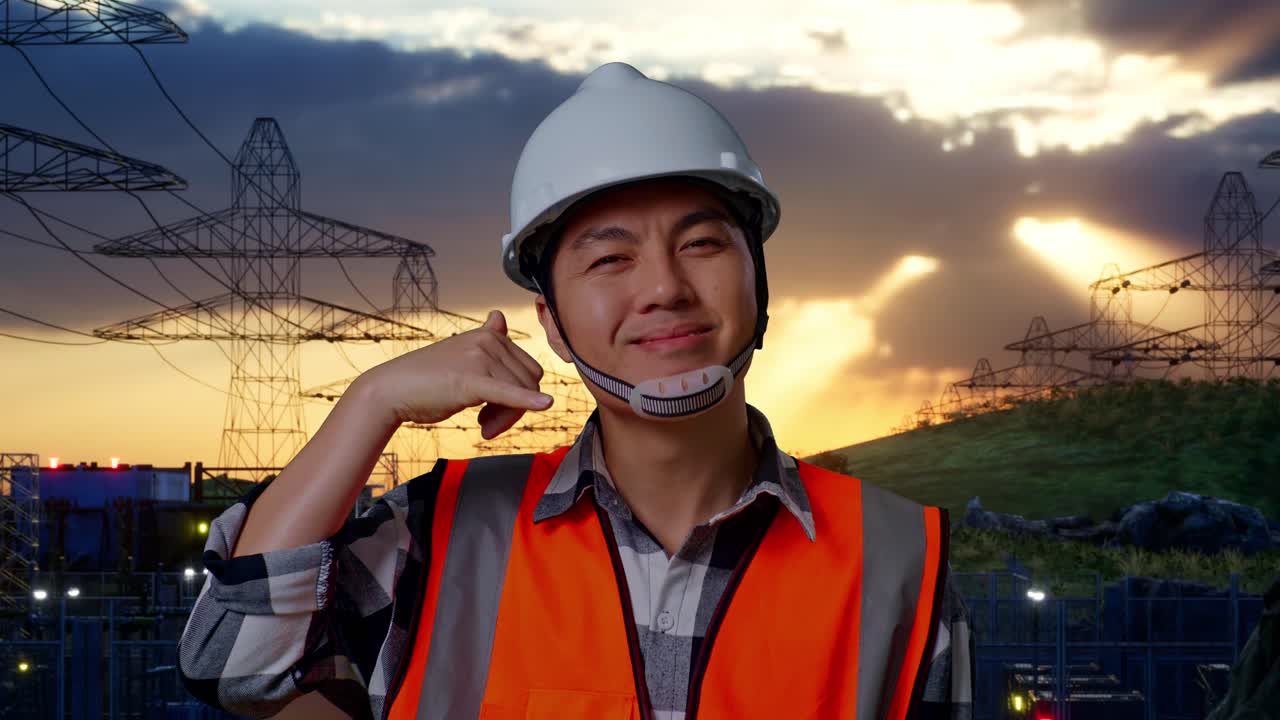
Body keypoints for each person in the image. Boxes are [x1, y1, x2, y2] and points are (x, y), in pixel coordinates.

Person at [178, 61, 975, 720]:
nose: (665, 287)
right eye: (609, 259)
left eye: (701, 244)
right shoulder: (442, 531)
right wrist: (372, 401)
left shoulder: (901, 558)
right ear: (551, 322)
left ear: (760, 283)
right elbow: (233, 663)